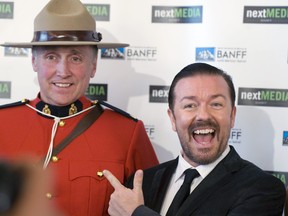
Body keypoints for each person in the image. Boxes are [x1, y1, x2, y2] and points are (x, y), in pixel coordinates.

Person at [0, 0, 159, 215]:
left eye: (75, 58)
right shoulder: (3, 123)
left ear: (93, 66)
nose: (63, 71)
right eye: (51, 57)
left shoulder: (128, 133)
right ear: (34, 62)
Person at [103, 62, 286, 216]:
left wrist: (137, 213)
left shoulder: (263, 189)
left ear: (232, 115)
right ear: (173, 119)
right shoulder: (142, 183)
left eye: (216, 104)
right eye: (190, 105)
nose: (203, 115)